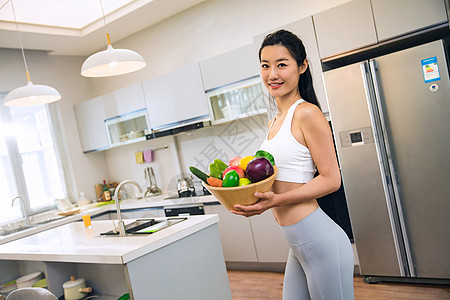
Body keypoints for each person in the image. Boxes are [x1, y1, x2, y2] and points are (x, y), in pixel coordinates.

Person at [231, 29, 354, 300]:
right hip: (297, 245)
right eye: (265, 65)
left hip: (320, 241)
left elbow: (331, 179)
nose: (272, 74)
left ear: (302, 66)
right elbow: (277, 177)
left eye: (282, 64)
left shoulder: (307, 113)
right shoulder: (275, 120)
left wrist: (276, 200)